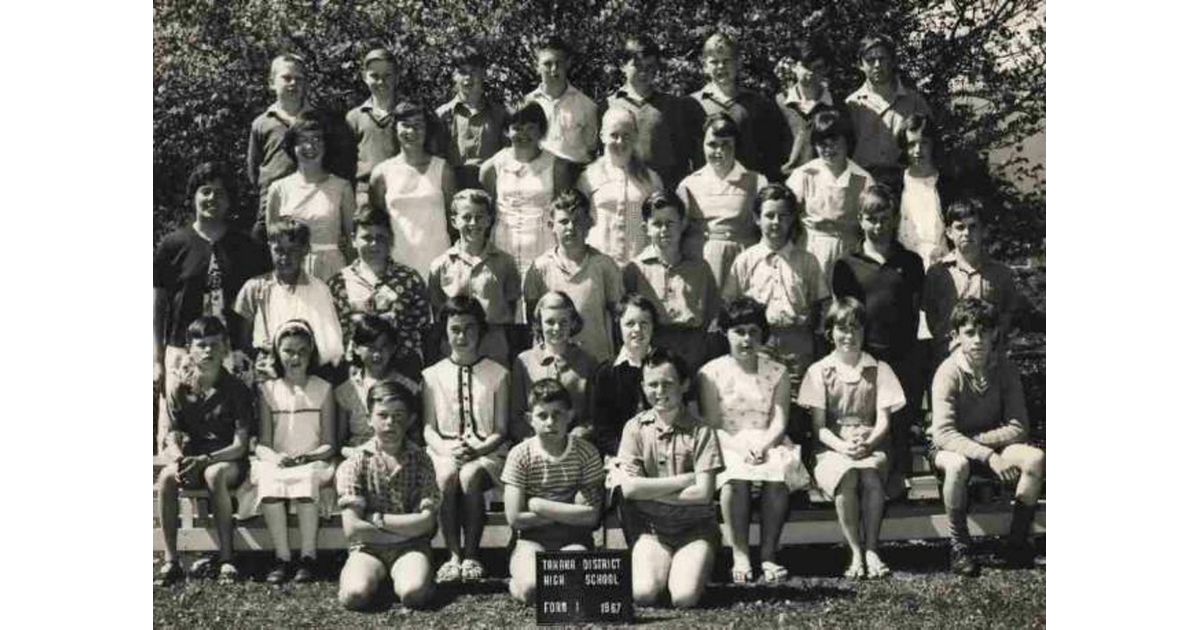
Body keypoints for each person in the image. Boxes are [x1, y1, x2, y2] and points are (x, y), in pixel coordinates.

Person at [154, 162, 270, 446]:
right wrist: (156, 358)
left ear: (230, 201)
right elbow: (157, 307)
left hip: (234, 353)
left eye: (220, 193)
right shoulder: (173, 245)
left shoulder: (247, 246)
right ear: (193, 196)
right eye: (205, 191)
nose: (212, 199)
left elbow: (259, 303)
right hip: (183, 351)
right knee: (178, 437)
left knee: (235, 435)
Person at [696, 298, 809, 585]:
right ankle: (741, 553)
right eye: (739, 331)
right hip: (727, 441)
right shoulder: (710, 373)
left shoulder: (777, 371)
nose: (746, 339)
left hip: (769, 440)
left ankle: (769, 553)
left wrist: (764, 445)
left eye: (753, 332)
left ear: (762, 334)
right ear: (726, 333)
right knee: (735, 478)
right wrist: (740, 447)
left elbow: (780, 420)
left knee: (777, 475)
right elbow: (712, 423)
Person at [929, 298, 1044, 576]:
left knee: (1036, 458)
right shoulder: (948, 371)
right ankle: (960, 547)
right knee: (957, 466)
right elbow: (943, 433)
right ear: (957, 336)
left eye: (984, 332)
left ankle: (1017, 544)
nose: (978, 340)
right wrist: (989, 456)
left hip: (990, 443)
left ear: (995, 333)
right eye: (970, 333)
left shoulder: (1004, 368)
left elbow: (1019, 426)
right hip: (950, 449)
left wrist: (981, 443)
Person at [797, 297, 906, 579]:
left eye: (856, 328)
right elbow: (819, 427)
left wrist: (868, 444)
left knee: (869, 476)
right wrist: (844, 446)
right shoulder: (818, 371)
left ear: (865, 331)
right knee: (847, 476)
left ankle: (872, 548)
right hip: (831, 448)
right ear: (830, 332)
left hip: (873, 444)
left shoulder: (879, 369)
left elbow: (884, 420)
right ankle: (855, 551)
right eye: (842, 328)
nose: (849, 335)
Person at [831, 184, 925, 499]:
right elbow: (845, 319)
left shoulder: (911, 262)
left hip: (902, 358)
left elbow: (914, 313)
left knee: (898, 426)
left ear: (895, 218)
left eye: (885, 217)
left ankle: (898, 491)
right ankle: (862, 488)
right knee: (866, 425)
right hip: (865, 359)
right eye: (871, 218)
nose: (878, 225)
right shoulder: (847, 265)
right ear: (860, 219)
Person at [619, 349, 722, 608]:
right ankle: (665, 567)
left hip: (694, 531)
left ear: (685, 384)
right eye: (652, 384)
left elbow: (703, 494)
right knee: (644, 595)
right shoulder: (634, 428)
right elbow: (630, 489)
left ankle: (696, 563)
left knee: (683, 598)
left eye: (668, 383)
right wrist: (685, 480)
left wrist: (649, 491)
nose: (659, 390)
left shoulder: (702, 432)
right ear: (643, 387)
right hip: (652, 532)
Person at [156, 317, 253, 585]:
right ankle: (172, 561)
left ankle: (227, 559)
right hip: (194, 459)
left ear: (225, 348)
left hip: (227, 460)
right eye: (201, 345)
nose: (208, 351)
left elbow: (240, 445)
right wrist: (178, 457)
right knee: (165, 477)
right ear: (190, 349)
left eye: (215, 345)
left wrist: (206, 459)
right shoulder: (180, 389)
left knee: (214, 474)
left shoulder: (236, 389)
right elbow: (172, 435)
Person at [422, 297, 510, 583]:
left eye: (470, 328)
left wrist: (478, 449)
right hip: (444, 450)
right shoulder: (432, 375)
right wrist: (447, 450)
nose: (462, 336)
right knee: (447, 474)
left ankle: (472, 554)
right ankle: (452, 556)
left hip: (487, 451)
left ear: (481, 331)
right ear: (446, 333)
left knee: (470, 476)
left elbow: (501, 429)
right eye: (455, 329)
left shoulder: (498, 374)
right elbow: (428, 429)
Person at [246, 319, 338, 584]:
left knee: (307, 479)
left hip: (313, 460)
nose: (295, 357)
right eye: (288, 351)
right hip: (278, 460)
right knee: (270, 480)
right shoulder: (268, 390)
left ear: (311, 353)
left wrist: (310, 456)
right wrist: (276, 458)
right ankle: (282, 557)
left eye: (302, 351)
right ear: (277, 352)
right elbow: (263, 442)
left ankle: (308, 556)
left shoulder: (323, 389)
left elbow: (329, 442)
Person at [336, 381, 440, 610]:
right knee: (354, 595)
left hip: (411, 547)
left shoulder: (422, 460)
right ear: (369, 418)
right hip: (368, 549)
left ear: (411, 419)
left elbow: (427, 523)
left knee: (414, 594)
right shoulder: (355, 462)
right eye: (382, 415)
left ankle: (404, 575)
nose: (390, 422)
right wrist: (405, 529)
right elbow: (352, 529)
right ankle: (373, 576)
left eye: (399, 415)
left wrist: (376, 519)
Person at [503, 379, 606, 603]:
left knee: (567, 585)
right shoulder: (520, 454)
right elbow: (515, 518)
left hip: (574, 540)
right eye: (542, 415)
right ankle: (518, 582)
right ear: (530, 419)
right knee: (532, 588)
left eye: (558, 414)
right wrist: (568, 513)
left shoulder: (586, 453)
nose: (550, 422)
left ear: (570, 416)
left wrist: (538, 505)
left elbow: (590, 516)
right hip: (531, 541)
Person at [724, 184, 828, 382]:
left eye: (783, 216)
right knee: (760, 390)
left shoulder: (807, 261)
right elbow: (730, 304)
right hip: (759, 341)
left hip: (798, 341)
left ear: (792, 219)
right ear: (756, 218)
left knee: (798, 398)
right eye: (769, 215)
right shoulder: (745, 260)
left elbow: (821, 303)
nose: (776, 222)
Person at [623, 190, 720, 374]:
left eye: (670, 223)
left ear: (682, 224)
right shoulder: (635, 270)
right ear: (645, 228)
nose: (664, 230)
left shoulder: (700, 268)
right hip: (652, 357)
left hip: (692, 356)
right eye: (657, 224)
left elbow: (711, 316)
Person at [523, 190, 624, 363]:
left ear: (589, 223)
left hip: (596, 362)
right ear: (551, 225)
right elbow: (534, 323)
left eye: (577, 221)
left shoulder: (604, 266)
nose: (570, 227)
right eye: (563, 222)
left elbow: (618, 320)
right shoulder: (539, 268)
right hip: (552, 364)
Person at [234, 218, 344, 375]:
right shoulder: (254, 288)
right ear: (269, 249)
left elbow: (331, 344)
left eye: (293, 250)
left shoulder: (320, 290)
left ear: (305, 249)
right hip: (266, 372)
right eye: (279, 250)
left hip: (308, 370)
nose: (285, 258)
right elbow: (243, 340)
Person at [480, 103, 574, 284]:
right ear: (507, 131)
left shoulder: (558, 167)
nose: (523, 134)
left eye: (531, 128)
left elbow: (563, 213)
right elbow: (489, 210)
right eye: (517, 128)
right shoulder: (492, 167)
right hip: (503, 246)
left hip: (544, 245)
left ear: (541, 131)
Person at [922, 198, 1023, 366]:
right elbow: (932, 316)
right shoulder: (937, 274)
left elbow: (1008, 315)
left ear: (983, 231)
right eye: (960, 227)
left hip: (989, 364)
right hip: (947, 361)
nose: (967, 233)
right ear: (948, 232)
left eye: (973, 227)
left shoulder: (1001, 275)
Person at [428, 189, 522, 365]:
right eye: (466, 217)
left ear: (489, 220)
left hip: (493, 344)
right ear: (454, 221)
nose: (473, 223)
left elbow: (511, 308)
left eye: (480, 217)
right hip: (455, 344)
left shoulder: (505, 263)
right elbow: (438, 313)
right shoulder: (440, 265)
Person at [327, 206, 431, 364]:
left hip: (400, 368)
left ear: (391, 240)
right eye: (367, 238)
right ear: (354, 239)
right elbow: (332, 334)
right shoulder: (338, 283)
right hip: (354, 371)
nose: (374, 244)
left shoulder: (409, 279)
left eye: (381, 237)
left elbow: (424, 329)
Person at [786, 109, 875, 288]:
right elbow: (786, 214)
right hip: (810, 250)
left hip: (848, 255)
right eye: (822, 143)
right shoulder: (804, 174)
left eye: (834, 142)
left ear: (846, 142)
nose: (828, 149)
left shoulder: (863, 178)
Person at [677, 113, 766, 290]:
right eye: (712, 144)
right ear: (702, 145)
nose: (719, 151)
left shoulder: (757, 182)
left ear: (735, 145)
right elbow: (678, 232)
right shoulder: (688, 185)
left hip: (743, 264)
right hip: (701, 265)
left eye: (726, 144)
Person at [265, 111, 356, 282]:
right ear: (293, 145)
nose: (310, 146)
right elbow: (273, 244)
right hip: (292, 270)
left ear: (326, 144)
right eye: (303, 140)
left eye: (316, 139)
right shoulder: (277, 189)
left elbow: (353, 243)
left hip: (332, 271)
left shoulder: (341, 187)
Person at [368, 100, 456, 278]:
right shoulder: (381, 173)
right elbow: (377, 226)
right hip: (397, 264)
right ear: (395, 129)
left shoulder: (443, 169)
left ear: (427, 129)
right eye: (405, 125)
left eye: (418, 125)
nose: (411, 131)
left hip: (439, 262)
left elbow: (454, 222)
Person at [688, 32, 785, 182]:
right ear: (705, 66)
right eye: (714, 62)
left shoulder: (758, 104)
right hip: (706, 191)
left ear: (738, 62)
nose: (721, 66)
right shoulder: (692, 104)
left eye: (727, 60)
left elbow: (771, 154)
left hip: (749, 189)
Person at [604, 34, 696, 191]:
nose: (643, 73)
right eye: (637, 66)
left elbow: (683, 156)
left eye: (650, 67)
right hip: (621, 192)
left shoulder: (673, 106)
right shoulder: (608, 105)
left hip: (661, 194)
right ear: (623, 65)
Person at [577, 107, 665, 267]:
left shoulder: (651, 179)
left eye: (626, 135)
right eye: (614, 135)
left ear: (636, 136)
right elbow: (578, 222)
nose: (620, 142)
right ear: (602, 136)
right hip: (597, 265)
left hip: (640, 266)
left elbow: (660, 223)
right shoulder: (588, 177)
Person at [845, 34, 932, 187]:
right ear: (860, 65)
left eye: (882, 58)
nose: (877, 65)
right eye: (870, 60)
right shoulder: (852, 104)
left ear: (892, 61)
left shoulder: (914, 101)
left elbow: (930, 143)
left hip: (904, 180)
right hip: (863, 183)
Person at [510, 291, 599, 441]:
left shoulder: (588, 362)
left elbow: (594, 416)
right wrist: (536, 441)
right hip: (535, 445)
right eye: (550, 322)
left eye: (563, 322)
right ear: (539, 323)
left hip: (574, 445)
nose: (557, 328)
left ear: (572, 323)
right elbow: (516, 417)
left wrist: (579, 434)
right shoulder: (524, 362)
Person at [334, 314, 423, 457]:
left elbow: (416, 436)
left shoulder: (408, 387)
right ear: (356, 348)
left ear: (393, 348)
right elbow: (340, 443)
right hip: (358, 455)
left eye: (384, 347)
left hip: (397, 455)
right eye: (370, 347)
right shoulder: (346, 391)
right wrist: (356, 453)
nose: (377, 354)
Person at [248, 54, 310, 222]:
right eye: (287, 78)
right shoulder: (262, 123)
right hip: (272, 206)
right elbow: (254, 170)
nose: (293, 83)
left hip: (310, 202)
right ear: (271, 83)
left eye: (299, 79)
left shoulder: (318, 120)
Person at [436, 46, 508, 190]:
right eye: (462, 72)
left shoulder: (501, 114)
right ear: (454, 75)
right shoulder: (442, 115)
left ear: (483, 73)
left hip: (490, 189)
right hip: (454, 189)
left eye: (473, 71)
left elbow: (508, 157)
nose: (468, 78)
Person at [523, 34, 599, 167]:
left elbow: (592, 151)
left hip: (574, 178)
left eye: (559, 63)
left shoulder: (587, 106)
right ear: (537, 66)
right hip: (537, 178)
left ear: (568, 64)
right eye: (547, 64)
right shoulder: (527, 104)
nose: (554, 70)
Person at [346, 48, 400, 207]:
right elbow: (346, 165)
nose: (381, 82)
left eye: (387, 76)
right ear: (364, 77)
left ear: (397, 77)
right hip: (365, 196)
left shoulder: (408, 113)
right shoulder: (355, 117)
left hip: (402, 192)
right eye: (374, 76)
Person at [777, 40, 836, 177]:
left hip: (823, 183)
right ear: (794, 66)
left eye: (818, 68)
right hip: (786, 183)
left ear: (826, 69)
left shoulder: (836, 107)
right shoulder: (778, 104)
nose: (810, 73)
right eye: (805, 66)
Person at [896, 114, 948, 270]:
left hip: (943, 266)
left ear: (933, 145)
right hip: (903, 266)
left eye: (924, 143)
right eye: (912, 144)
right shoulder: (895, 185)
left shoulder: (947, 185)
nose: (918, 150)